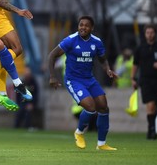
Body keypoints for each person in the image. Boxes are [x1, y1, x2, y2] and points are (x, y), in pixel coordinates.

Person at [48, 15, 118, 151]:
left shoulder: (97, 42)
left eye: (86, 25)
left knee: (104, 107)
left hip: (89, 79)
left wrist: (108, 70)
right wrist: (52, 76)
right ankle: (79, 133)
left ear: (92, 28)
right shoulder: (71, 40)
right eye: (81, 25)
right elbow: (52, 55)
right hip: (73, 80)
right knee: (91, 107)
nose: (83, 27)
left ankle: (101, 144)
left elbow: (102, 59)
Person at [131, 24, 157, 140]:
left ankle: (151, 128)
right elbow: (135, 64)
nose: (150, 35)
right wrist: (133, 78)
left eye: (152, 32)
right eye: (147, 32)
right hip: (145, 80)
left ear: (155, 33)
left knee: (155, 107)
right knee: (150, 104)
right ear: (145, 34)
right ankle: (152, 130)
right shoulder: (140, 48)